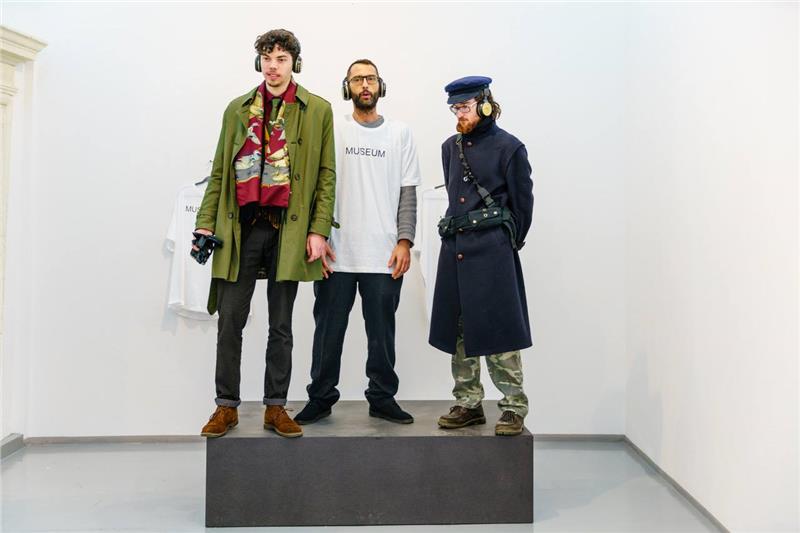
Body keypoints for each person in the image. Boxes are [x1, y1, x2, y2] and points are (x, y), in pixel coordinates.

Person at [195, 29, 335, 439]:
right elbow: (219, 170)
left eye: (282, 59)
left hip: (287, 231)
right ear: (259, 62)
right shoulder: (236, 109)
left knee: (281, 325)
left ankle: (276, 406)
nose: (273, 66)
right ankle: (226, 407)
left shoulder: (317, 110)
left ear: (295, 63)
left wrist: (319, 229)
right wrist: (205, 220)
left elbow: (326, 176)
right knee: (230, 320)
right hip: (241, 229)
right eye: (268, 58)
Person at [294, 59, 421, 425]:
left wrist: (405, 241)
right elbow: (315, 186)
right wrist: (316, 238)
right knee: (327, 333)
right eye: (357, 79)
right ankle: (320, 397)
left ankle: (382, 397)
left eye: (370, 79)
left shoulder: (400, 133)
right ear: (346, 87)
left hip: (384, 255)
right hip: (336, 254)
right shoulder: (334, 129)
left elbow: (408, 192)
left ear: (381, 85)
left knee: (382, 335)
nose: (364, 85)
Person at [429, 76, 534, 436]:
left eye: (465, 107)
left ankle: (513, 406)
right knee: (459, 328)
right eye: (454, 108)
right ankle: (468, 402)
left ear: (485, 104)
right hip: (456, 249)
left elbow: (522, 206)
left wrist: (504, 243)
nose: (459, 114)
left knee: (500, 327)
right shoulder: (450, 147)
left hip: (493, 253)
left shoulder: (510, 148)